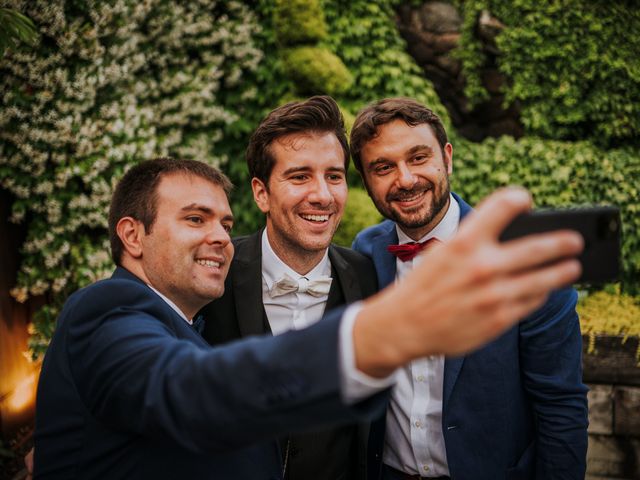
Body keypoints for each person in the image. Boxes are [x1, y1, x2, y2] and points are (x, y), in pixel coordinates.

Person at [33, 154, 583, 479]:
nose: (221, 239)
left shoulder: (187, 318)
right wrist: (375, 337)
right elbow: (189, 390)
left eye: (225, 224)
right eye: (195, 219)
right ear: (132, 235)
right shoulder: (105, 311)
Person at [350, 97, 589, 480]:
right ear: (366, 181)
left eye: (418, 157)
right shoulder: (364, 254)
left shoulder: (527, 262)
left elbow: (561, 408)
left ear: (447, 158)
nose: (406, 179)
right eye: (383, 167)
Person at [200, 97, 377, 479]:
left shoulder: (369, 276)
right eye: (300, 177)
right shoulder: (213, 275)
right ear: (261, 193)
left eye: (334, 176)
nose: (322, 195)